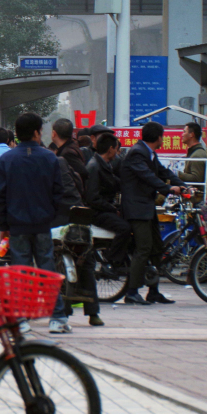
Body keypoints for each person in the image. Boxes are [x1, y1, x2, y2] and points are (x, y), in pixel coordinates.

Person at [0, 113, 71, 334]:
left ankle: (20, 319)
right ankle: (57, 318)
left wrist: (3, 224)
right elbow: (58, 193)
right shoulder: (49, 158)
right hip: (43, 223)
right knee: (47, 270)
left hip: (16, 225)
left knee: (21, 272)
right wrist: (50, 216)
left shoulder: (7, 159)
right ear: (37, 132)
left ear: (16, 133)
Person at [118, 121, 184, 305]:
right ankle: (132, 291)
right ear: (158, 138)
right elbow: (148, 176)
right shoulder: (138, 153)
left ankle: (153, 291)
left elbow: (164, 172)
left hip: (146, 208)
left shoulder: (149, 153)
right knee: (144, 248)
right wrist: (170, 189)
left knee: (157, 248)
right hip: (137, 209)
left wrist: (183, 185)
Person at [85, 133, 131, 321]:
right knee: (124, 229)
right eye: (116, 149)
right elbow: (93, 198)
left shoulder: (104, 165)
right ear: (111, 149)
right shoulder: (94, 167)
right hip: (97, 213)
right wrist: (112, 208)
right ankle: (110, 262)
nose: (117, 152)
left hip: (105, 208)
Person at [52, 118, 88, 198]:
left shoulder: (67, 153)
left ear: (54, 133)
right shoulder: (72, 146)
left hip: (72, 198)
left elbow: (83, 172)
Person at [178, 121, 207, 200]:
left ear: (192, 134)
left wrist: (177, 174)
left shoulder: (198, 155)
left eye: (184, 132)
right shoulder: (194, 153)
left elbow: (196, 178)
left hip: (197, 198)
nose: (182, 135)